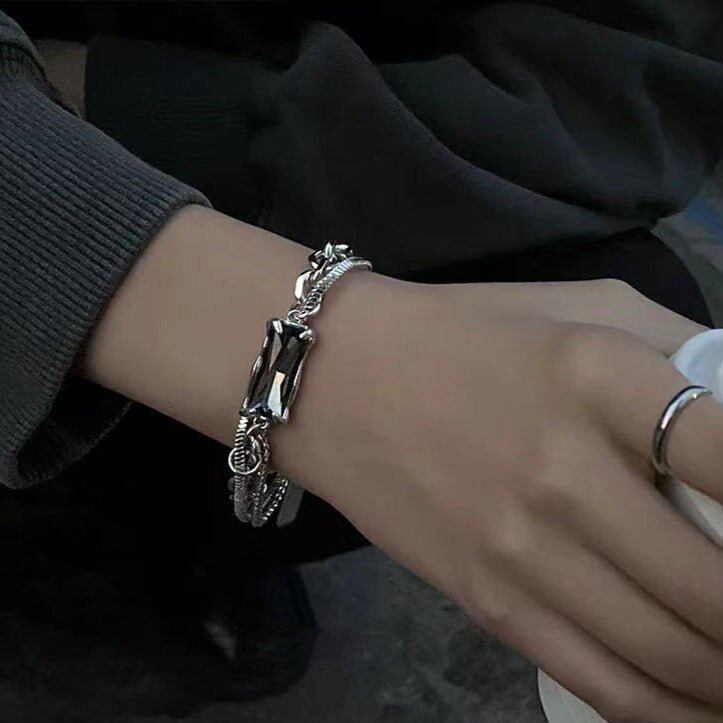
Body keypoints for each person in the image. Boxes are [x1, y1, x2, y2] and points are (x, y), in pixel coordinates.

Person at [1, 3, 723, 720]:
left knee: (630, 337)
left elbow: (639, 79)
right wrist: (332, 364)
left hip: (226, 80)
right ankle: (62, 527)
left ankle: (163, 506)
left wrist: (175, 116)